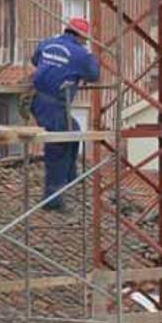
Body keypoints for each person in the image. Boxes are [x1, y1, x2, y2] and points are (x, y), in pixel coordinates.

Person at [30, 17, 100, 211]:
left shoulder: (47, 43)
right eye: (86, 39)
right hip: (53, 105)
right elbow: (94, 75)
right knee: (58, 147)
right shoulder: (81, 54)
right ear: (81, 37)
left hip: (38, 101)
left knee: (74, 131)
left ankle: (70, 177)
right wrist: (86, 62)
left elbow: (35, 60)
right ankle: (53, 199)